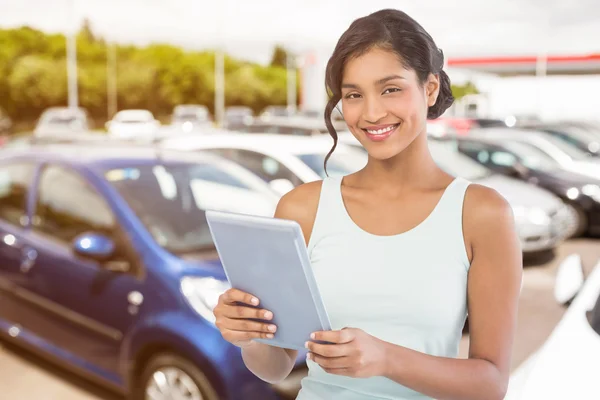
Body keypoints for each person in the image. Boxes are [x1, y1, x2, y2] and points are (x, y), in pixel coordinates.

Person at [213, 8, 522, 400]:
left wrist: (387, 359)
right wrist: (249, 337)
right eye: (354, 95)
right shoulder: (302, 209)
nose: (372, 112)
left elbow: (491, 384)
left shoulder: (481, 214)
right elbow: (275, 367)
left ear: (429, 88)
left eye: (390, 88)